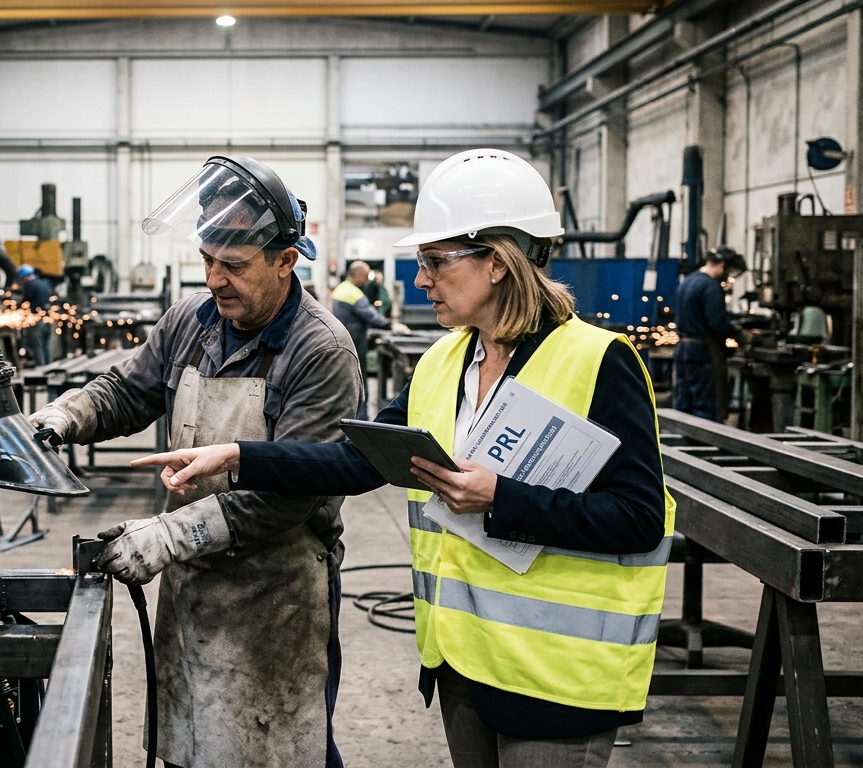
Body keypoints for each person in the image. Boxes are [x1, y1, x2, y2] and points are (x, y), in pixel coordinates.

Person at [134, 148, 674, 768]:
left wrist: (502, 497)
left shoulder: (597, 361)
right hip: (465, 664)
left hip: (559, 678)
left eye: (436, 262)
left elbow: (639, 518)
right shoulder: (446, 363)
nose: (421, 280)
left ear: (498, 262)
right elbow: (355, 462)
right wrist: (238, 455)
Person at [29, 156, 362, 768]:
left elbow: (290, 492)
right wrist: (64, 416)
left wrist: (168, 536)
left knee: (280, 750)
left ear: (286, 260)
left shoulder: (320, 349)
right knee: (191, 745)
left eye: (234, 265)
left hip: (277, 593)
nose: (215, 280)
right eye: (207, 261)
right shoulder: (191, 321)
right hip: (192, 586)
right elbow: (129, 391)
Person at [674, 247, 745, 421]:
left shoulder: (688, 281)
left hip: (682, 350)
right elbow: (717, 323)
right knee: (706, 406)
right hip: (702, 352)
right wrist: (738, 332)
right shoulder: (711, 286)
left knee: (685, 405)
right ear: (721, 265)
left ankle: (684, 439)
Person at [331, 260, 408, 382]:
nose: (367, 280)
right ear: (358, 275)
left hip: (342, 338)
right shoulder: (354, 293)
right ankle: (362, 395)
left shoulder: (341, 288)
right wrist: (391, 325)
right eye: (366, 276)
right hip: (355, 339)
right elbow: (371, 316)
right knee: (358, 372)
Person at [18, 264, 55, 366]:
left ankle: (41, 367)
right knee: (46, 344)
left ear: (25, 276)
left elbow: (24, 302)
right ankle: (50, 366)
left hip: (37, 319)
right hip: (48, 317)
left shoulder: (30, 285)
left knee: (37, 345)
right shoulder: (44, 283)